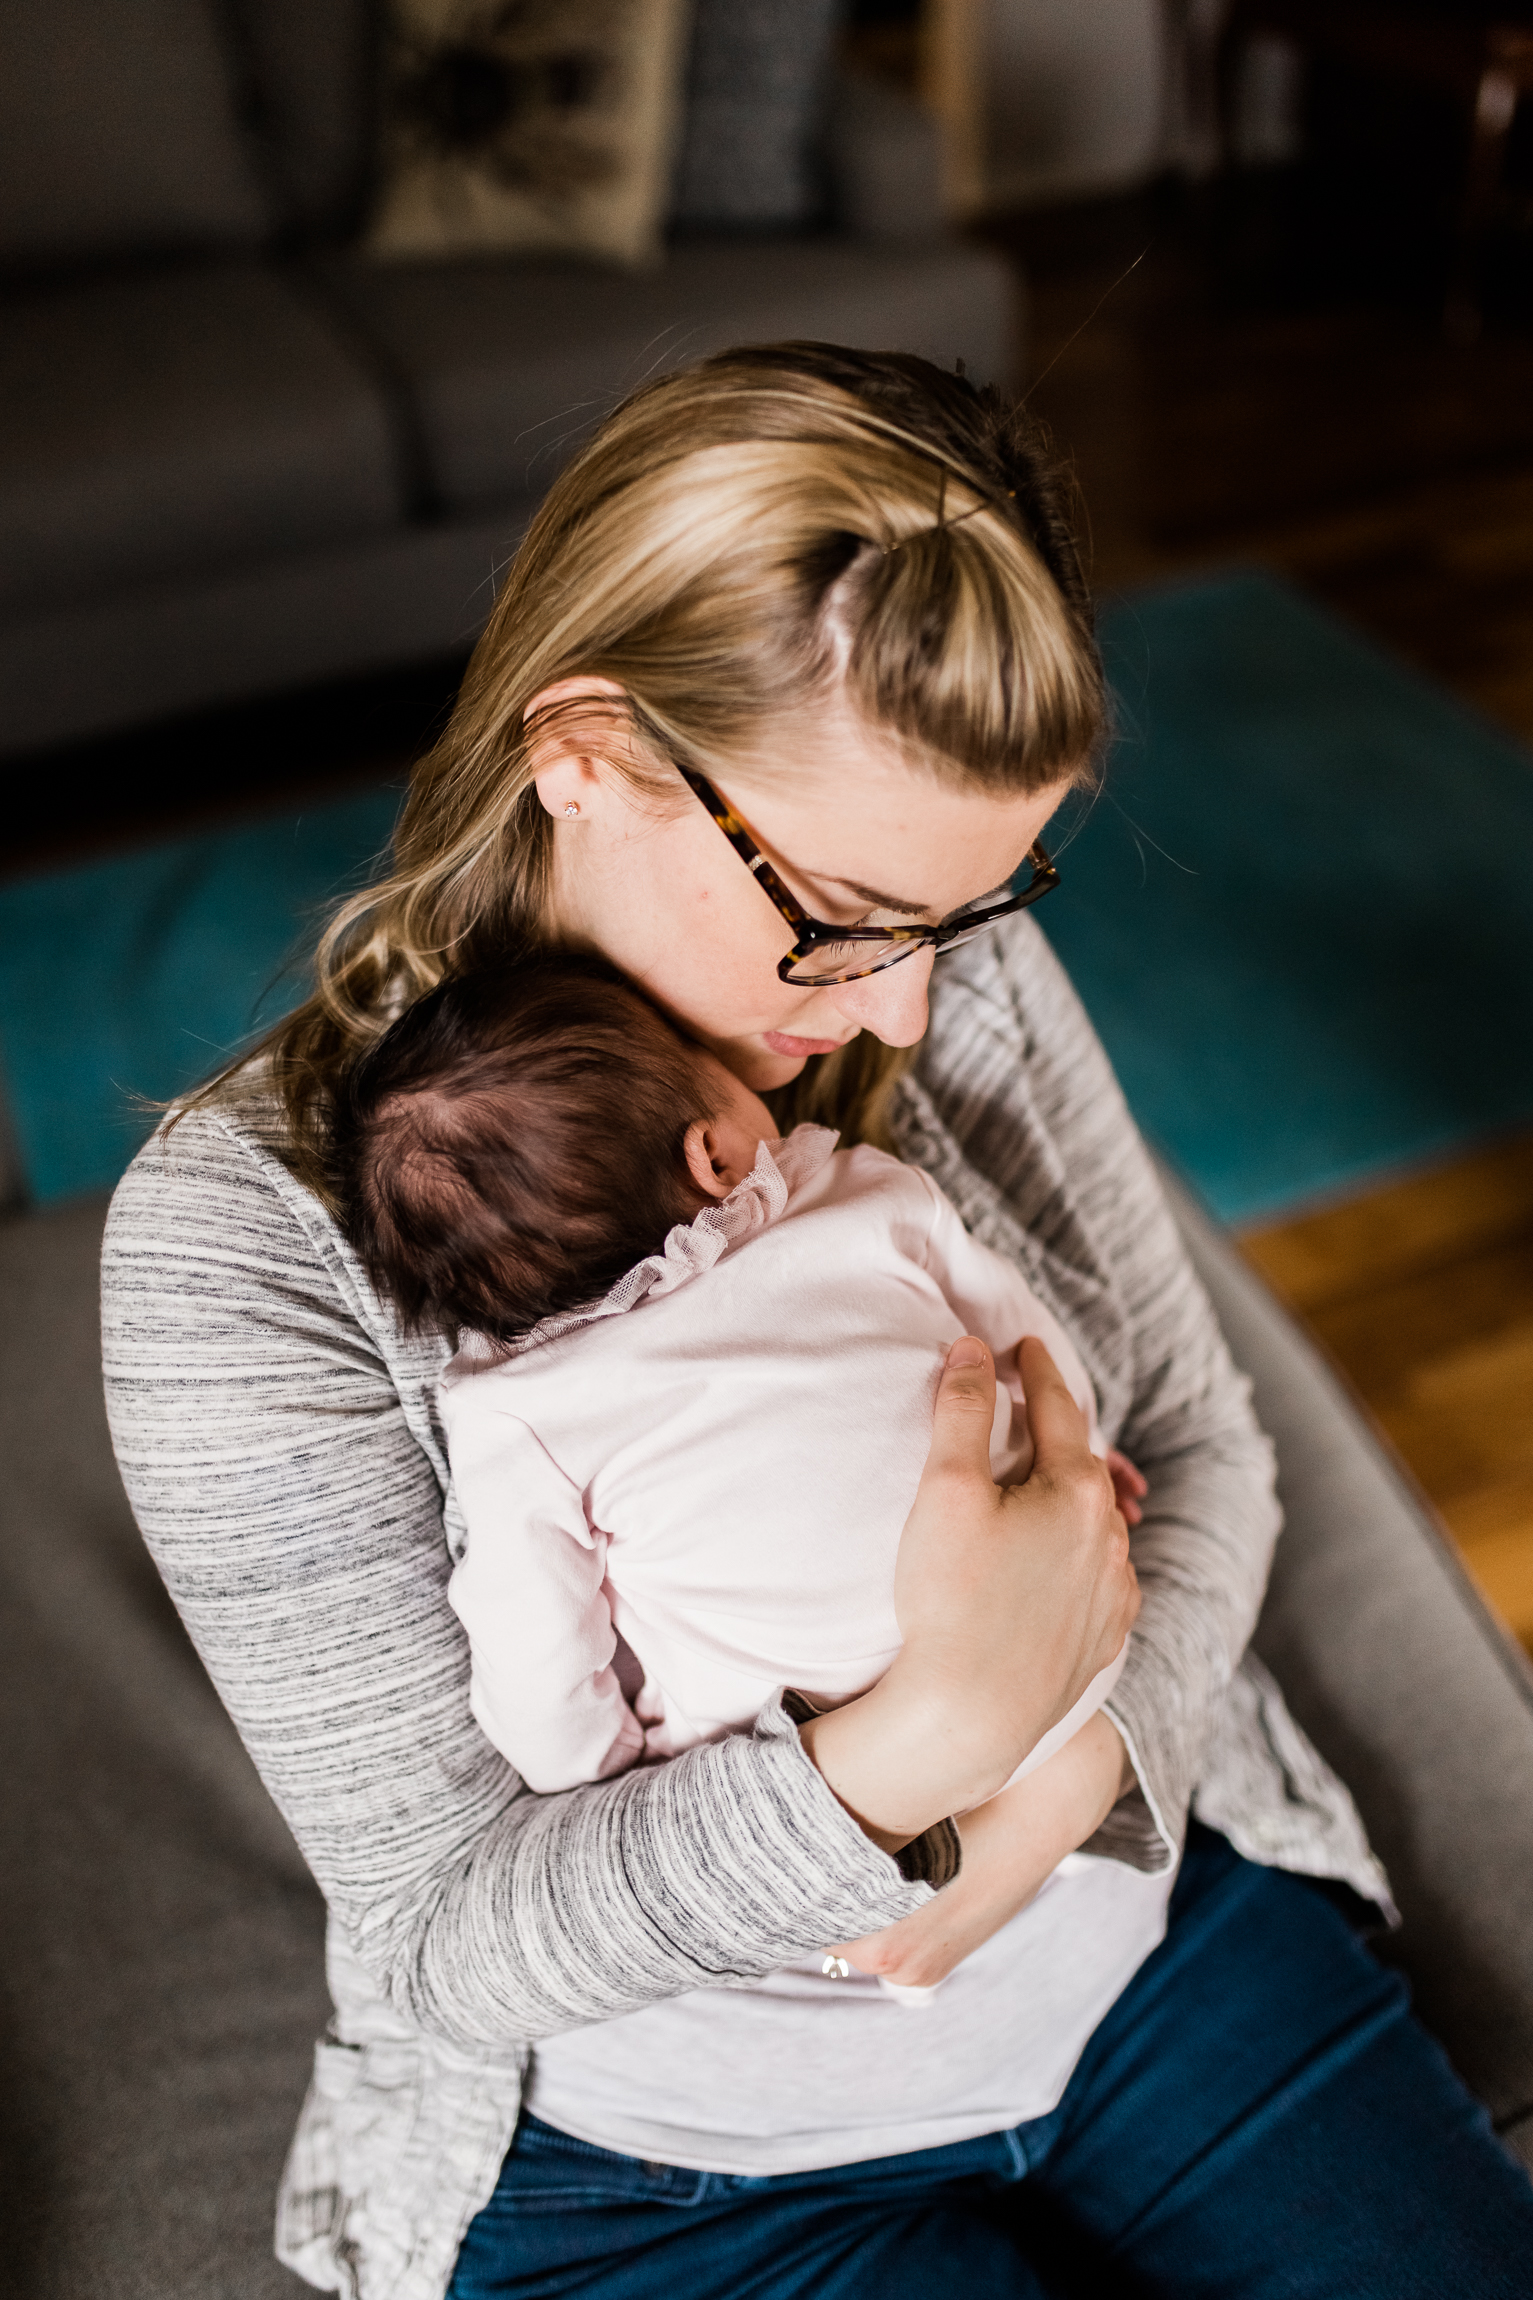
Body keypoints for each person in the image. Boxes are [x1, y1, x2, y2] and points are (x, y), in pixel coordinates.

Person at [100, 343, 1533, 2300]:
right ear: (582, 752)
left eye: (963, 914)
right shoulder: (241, 1243)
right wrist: (913, 1742)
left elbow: (1202, 1439)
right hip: (671, 2170)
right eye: (839, 917)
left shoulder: (945, 975)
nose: (907, 1017)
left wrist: (1061, 1785)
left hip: (1144, 1952)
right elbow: (452, 1932)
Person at [332, 954, 1139, 1826]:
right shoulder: (866, 1196)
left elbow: (533, 1647)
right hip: (1081, 1647)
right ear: (711, 1156)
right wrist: (1084, 1459)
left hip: (813, 1778)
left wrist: (605, 1769)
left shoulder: (517, 1413)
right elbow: (1025, 1339)